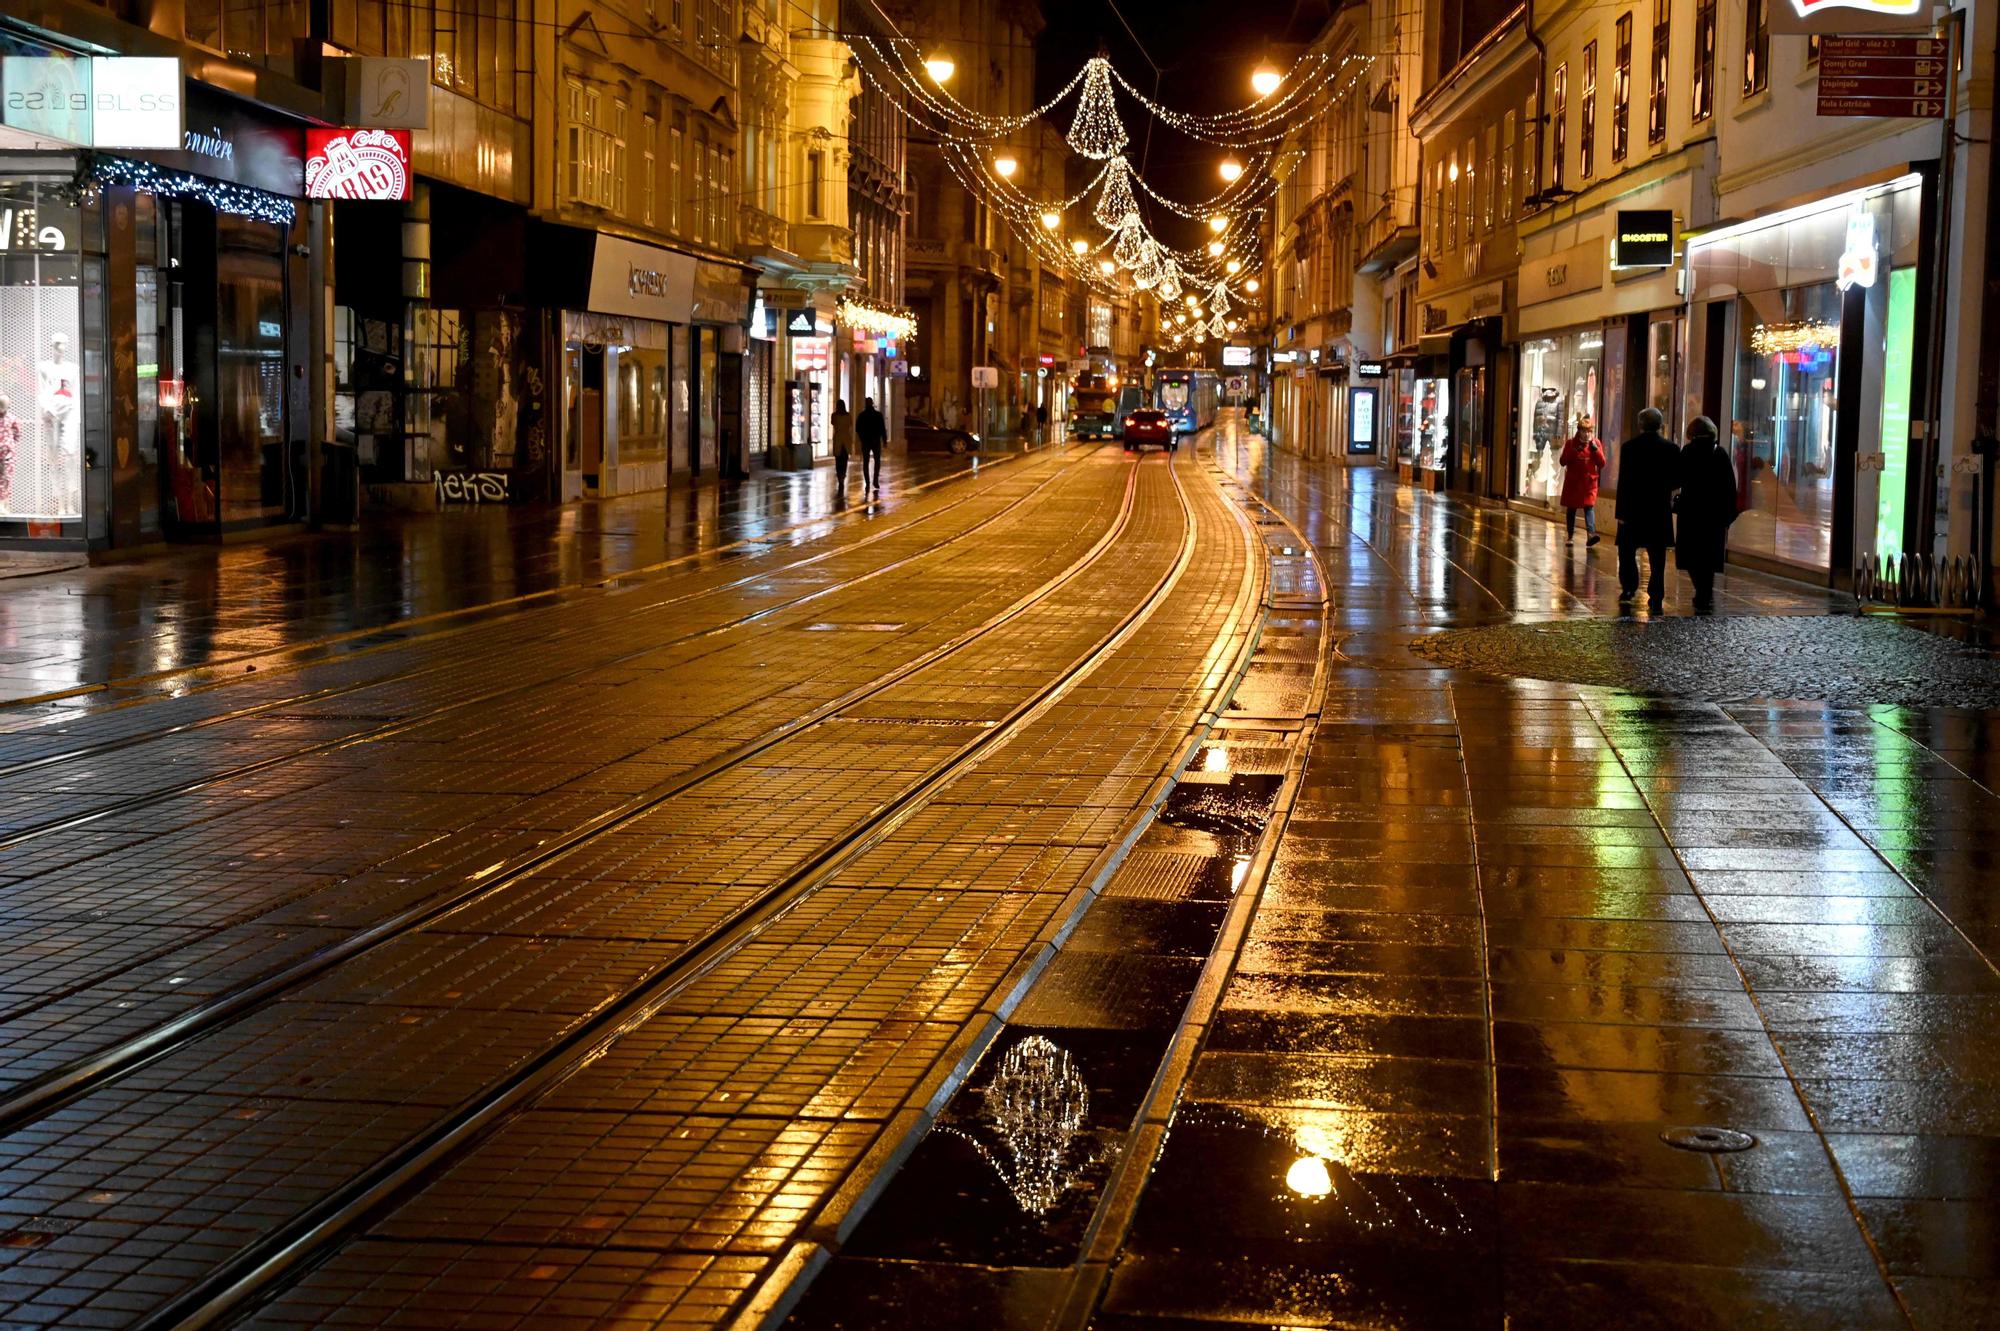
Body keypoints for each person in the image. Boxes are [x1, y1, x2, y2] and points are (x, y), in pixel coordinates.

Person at [1616, 406, 1679, 613]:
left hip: (1633, 509)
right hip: (1657, 509)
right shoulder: (1670, 448)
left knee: (1627, 552)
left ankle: (1629, 588)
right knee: (1657, 555)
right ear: (1660, 425)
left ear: (1640, 424)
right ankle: (1656, 594)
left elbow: (1623, 482)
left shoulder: (1629, 448)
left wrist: (1621, 513)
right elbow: (1675, 480)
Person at [1675, 415, 1740, 613]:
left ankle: (1701, 590)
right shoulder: (1719, 453)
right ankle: (1705, 591)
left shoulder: (1687, 451)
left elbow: (1678, 478)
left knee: (1692, 555)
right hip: (1714, 514)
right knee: (1708, 556)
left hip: (1692, 512)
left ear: (1691, 433)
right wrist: (1728, 515)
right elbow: (1730, 487)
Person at [1558, 413, 1606, 546]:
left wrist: (1596, 451)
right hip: (1574, 482)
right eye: (1584, 431)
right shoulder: (1570, 443)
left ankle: (1591, 534)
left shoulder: (1595, 443)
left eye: (1589, 431)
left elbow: (1602, 464)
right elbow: (1562, 462)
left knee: (1589, 507)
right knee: (1572, 509)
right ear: (1579, 431)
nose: (1586, 434)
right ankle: (1570, 536)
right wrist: (1573, 452)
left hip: (1589, 483)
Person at [856, 396, 887, 492]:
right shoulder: (878, 415)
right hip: (875, 440)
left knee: (866, 462)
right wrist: (884, 440)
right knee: (877, 461)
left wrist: (861, 438)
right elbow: (882, 428)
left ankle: (868, 482)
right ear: (872, 403)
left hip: (866, 441)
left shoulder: (862, 415)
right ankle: (875, 480)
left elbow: (858, 429)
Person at [830, 398, 855, 492]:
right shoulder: (848, 416)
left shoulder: (834, 416)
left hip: (838, 439)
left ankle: (840, 476)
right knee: (844, 460)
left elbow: (833, 423)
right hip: (846, 440)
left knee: (838, 461)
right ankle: (842, 477)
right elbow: (850, 425)